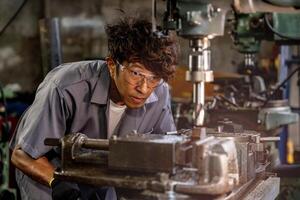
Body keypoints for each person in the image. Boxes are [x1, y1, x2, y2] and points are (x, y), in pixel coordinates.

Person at [10, 16, 178, 200]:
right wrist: (58, 183)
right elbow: (23, 155)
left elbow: (168, 152)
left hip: (102, 173)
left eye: (153, 77)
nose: (144, 88)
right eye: (136, 73)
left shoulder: (160, 93)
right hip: (48, 171)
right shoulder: (65, 86)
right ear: (112, 65)